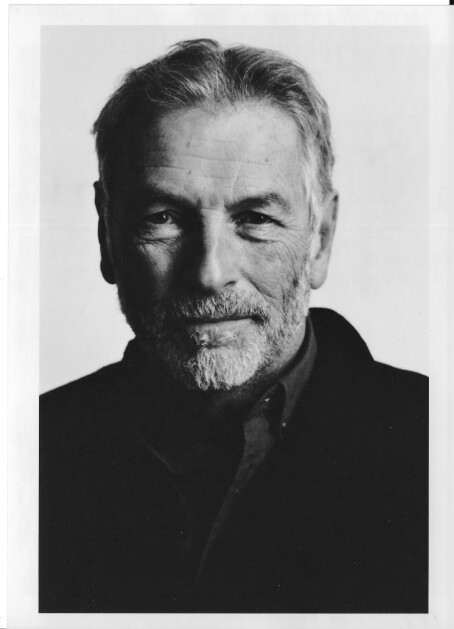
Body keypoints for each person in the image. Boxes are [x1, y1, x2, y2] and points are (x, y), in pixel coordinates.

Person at [39, 38, 428, 613]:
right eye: (163, 218)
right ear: (106, 234)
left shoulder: (434, 446)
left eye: (255, 219)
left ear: (320, 240)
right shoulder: (29, 452)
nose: (209, 273)